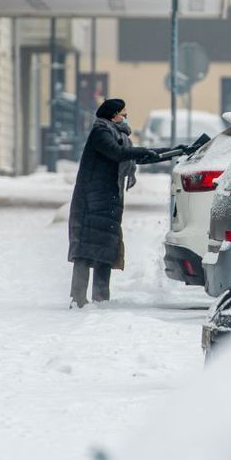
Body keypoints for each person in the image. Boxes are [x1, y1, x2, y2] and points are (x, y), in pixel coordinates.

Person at [68, 98, 164, 308]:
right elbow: (117, 154)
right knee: (85, 251)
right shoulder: (100, 133)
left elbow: (135, 155)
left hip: (108, 201)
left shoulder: (120, 136)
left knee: (104, 249)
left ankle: (101, 300)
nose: (126, 117)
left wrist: (174, 151)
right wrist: (142, 151)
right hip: (91, 201)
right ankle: (78, 300)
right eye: (123, 114)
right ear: (113, 116)